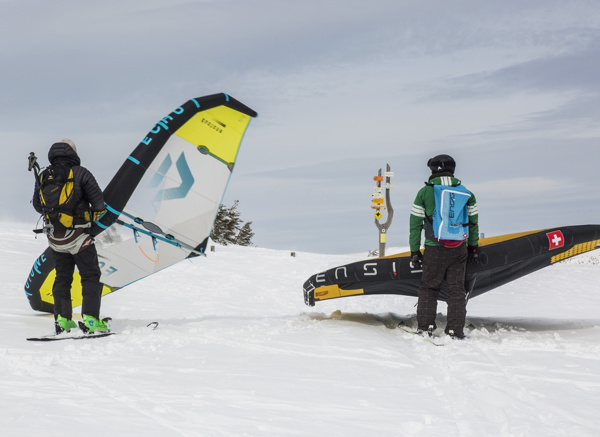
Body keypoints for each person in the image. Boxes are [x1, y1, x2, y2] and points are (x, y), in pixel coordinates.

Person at [32, 139, 108, 334]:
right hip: (79, 237)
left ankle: (62, 320)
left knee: (62, 278)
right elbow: (99, 204)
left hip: (56, 240)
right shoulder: (81, 173)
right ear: (73, 153)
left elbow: (37, 206)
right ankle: (91, 319)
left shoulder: (42, 175)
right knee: (90, 276)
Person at [409, 154, 479, 339]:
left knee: (429, 287)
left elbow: (415, 224)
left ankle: (425, 327)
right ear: (453, 170)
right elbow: (473, 222)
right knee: (457, 289)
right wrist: (473, 247)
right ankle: (455, 330)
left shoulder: (424, 193)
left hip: (434, 247)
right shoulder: (467, 193)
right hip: (459, 248)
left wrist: (414, 251)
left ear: (432, 170)